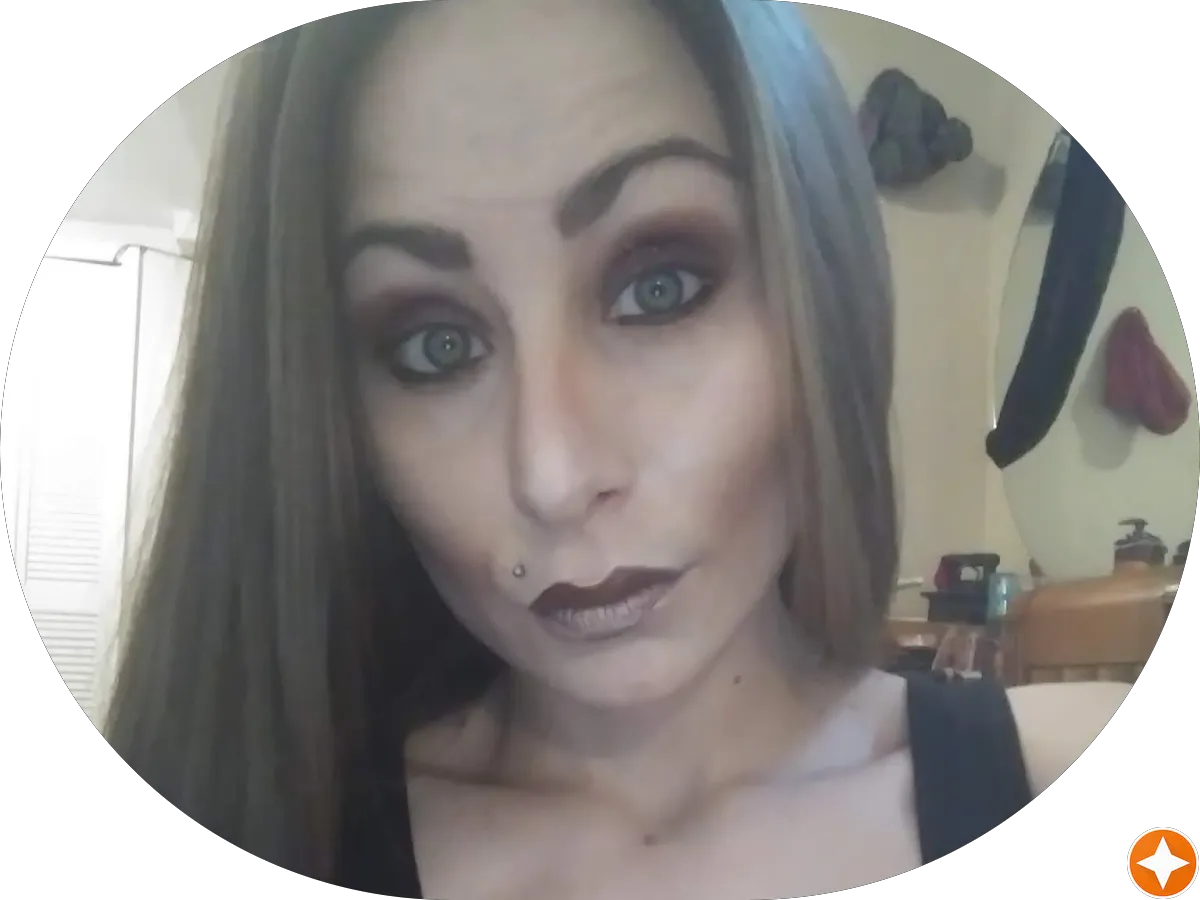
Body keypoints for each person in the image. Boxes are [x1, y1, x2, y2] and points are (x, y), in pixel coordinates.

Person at [103, 2, 1131, 897]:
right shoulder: (273, 820)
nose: (552, 476)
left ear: (824, 290)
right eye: (435, 345)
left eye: (659, 287)